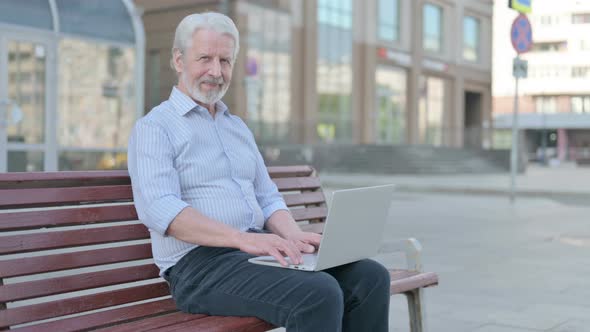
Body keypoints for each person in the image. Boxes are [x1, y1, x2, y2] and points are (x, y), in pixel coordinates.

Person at [127, 12, 390, 332]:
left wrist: (293, 237)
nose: (215, 71)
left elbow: (267, 197)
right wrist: (241, 240)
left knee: (370, 278)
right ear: (179, 60)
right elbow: (161, 210)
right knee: (318, 294)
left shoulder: (235, 127)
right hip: (197, 268)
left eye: (225, 61)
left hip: (252, 254)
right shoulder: (155, 127)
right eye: (205, 58)